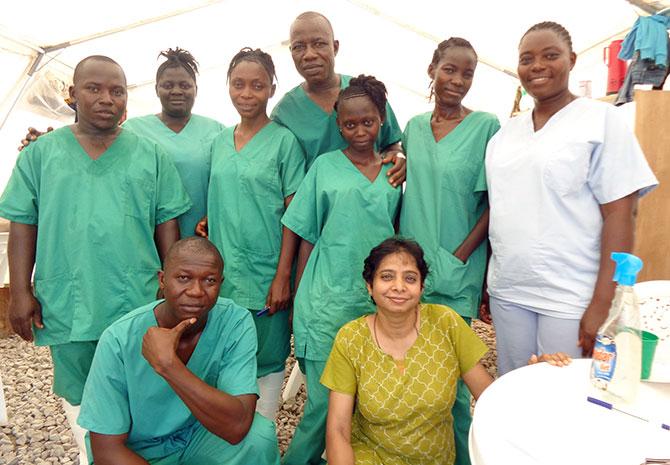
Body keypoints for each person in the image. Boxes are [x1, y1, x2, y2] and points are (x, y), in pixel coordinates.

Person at [0, 55, 191, 456]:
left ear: (127, 99)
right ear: (72, 95)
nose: (107, 98)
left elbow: (167, 231)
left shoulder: (150, 156)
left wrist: (173, 296)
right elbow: (22, 225)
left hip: (135, 299)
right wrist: (20, 291)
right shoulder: (40, 155)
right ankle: (93, 456)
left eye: (117, 91)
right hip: (69, 300)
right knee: (81, 396)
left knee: (140, 390)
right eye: (94, 88)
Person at [485, 21, 658, 375]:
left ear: (572, 60)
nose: (537, 66)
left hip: (570, 296)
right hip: (509, 289)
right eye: (526, 58)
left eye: (550, 56)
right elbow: (500, 208)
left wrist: (601, 304)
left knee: (561, 397)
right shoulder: (507, 133)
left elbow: (621, 216)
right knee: (512, 388)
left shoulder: (600, 120)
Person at [322, 237, 571, 465]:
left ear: (421, 288)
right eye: (387, 276)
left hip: (435, 459)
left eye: (410, 278)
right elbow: (338, 429)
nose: (398, 286)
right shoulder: (351, 338)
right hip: (371, 455)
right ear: (369, 286)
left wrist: (537, 378)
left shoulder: (445, 323)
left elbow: (487, 394)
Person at [281, 75, 401, 465]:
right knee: (321, 407)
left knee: (367, 405)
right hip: (326, 300)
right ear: (339, 126)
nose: (359, 130)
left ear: (381, 119)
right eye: (350, 124)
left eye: (367, 121)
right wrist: (299, 297)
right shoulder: (325, 167)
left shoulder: (394, 172)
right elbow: (305, 235)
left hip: (376, 305)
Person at [77, 237, 281, 465]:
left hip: (197, 438)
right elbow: (107, 450)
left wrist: (169, 366)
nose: (196, 291)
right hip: (139, 452)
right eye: (184, 278)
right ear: (162, 280)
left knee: (258, 437)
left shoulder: (234, 322)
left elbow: (238, 425)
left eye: (209, 280)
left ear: (221, 283)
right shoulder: (118, 339)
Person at [398, 37, 500, 465]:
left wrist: (460, 255)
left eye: (468, 73)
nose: (457, 80)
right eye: (450, 69)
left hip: (458, 269)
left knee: (454, 378)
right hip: (411, 269)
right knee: (409, 370)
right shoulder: (414, 127)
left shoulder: (486, 127)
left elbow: (495, 202)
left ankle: (461, 456)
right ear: (432, 69)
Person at [205, 48, 305, 420]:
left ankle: (261, 440)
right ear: (228, 86)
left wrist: (283, 276)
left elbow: (295, 217)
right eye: (239, 84)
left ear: (272, 89)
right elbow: (216, 199)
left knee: (267, 360)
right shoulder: (217, 142)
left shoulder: (284, 143)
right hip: (223, 276)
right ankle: (230, 443)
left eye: (257, 85)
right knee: (225, 358)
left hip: (266, 275)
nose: (247, 93)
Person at [271, 11, 406, 186]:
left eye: (319, 44)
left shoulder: (365, 93)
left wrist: (398, 156)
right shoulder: (284, 113)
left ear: (335, 47)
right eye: (299, 47)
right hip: (321, 209)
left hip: (373, 205)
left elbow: (392, 143)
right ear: (291, 52)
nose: (309, 54)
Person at [122, 48, 225, 237]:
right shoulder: (133, 131)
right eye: (168, 85)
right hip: (151, 235)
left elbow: (227, 184)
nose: (177, 91)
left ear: (196, 89)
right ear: (156, 89)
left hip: (204, 234)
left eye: (185, 85)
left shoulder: (217, 130)